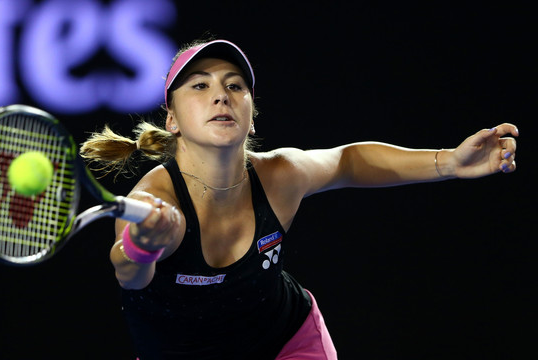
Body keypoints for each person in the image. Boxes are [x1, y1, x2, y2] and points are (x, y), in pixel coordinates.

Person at [80, 38, 518, 360]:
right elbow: (131, 275)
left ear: (250, 117)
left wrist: (450, 163)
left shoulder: (279, 175)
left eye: (235, 86)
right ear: (172, 120)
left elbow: (348, 161)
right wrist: (144, 246)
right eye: (199, 85)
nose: (221, 95)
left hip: (287, 342)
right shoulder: (154, 199)